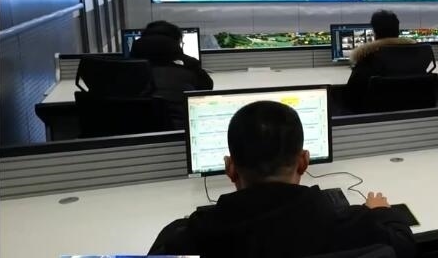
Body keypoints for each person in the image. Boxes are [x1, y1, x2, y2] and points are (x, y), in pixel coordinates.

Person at [149, 101, 415, 257]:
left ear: (230, 169)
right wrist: (381, 213)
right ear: (304, 161)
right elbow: (405, 246)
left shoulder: (186, 238)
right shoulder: (351, 224)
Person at [130, 21, 213, 128]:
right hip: (180, 131)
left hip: (134, 132)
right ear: (176, 43)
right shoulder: (189, 66)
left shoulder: (126, 72)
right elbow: (207, 88)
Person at [345, 10, 416, 109]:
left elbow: (350, 100)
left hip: (375, 116)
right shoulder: (415, 57)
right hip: (417, 114)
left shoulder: (366, 60)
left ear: (375, 33)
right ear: (397, 32)